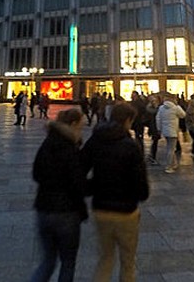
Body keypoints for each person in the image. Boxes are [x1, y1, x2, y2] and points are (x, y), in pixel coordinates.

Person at [81, 103, 149, 282]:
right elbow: (142, 188)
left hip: (101, 209)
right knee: (128, 262)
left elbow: (78, 170)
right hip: (126, 212)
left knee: (105, 259)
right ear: (127, 120)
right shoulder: (131, 146)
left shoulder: (95, 140)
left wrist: (93, 186)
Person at [30, 108, 87, 282]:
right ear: (73, 124)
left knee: (48, 261)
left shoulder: (47, 143)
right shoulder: (70, 148)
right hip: (66, 212)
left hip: (44, 209)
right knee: (68, 262)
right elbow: (78, 184)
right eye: (81, 126)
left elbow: (36, 174)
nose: (82, 130)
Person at [155, 93, 186, 174]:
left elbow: (158, 118)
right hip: (173, 131)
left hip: (165, 131)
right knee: (171, 149)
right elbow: (183, 115)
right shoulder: (175, 108)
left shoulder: (161, 108)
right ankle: (168, 167)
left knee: (170, 147)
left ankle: (174, 163)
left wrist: (159, 128)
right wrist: (178, 106)